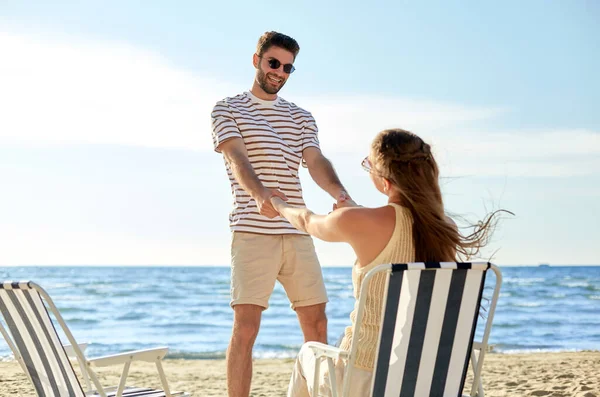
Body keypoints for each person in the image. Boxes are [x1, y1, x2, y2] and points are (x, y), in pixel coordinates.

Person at [271, 129, 504, 396]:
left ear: (384, 177)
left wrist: (276, 203)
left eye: (367, 164)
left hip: (363, 380)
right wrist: (354, 210)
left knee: (307, 353)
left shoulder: (359, 222)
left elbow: (306, 221)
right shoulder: (444, 228)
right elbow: (396, 227)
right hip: (428, 383)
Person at [211, 31, 355, 397]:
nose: (280, 72)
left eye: (288, 67)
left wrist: (340, 194)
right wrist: (260, 195)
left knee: (316, 323)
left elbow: (315, 160)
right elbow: (236, 157)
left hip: (296, 229)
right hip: (251, 229)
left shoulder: (301, 116)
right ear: (256, 60)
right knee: (246, 327)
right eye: (273, 63)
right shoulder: (227, 108)